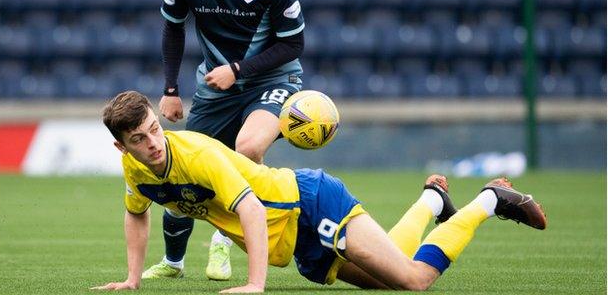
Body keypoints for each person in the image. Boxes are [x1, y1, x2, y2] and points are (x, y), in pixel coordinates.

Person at [93, 91, 547, 293]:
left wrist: (255, 285)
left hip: (309, 203)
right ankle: (432, 201)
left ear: (159, 119)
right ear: (122, 145)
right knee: (386, 280)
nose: (153, 143)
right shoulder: (135, 171)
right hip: (296, 242)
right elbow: (137, 213)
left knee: (412, 281)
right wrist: (133, 278)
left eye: (155, 129)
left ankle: (488, 201)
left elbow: (250, 210)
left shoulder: (198, 153)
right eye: (139, 139)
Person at [150, 0, 306, 281]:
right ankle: (173, 264)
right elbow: (172, 26)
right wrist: (170, 89)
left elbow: (292, 44)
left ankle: (222, 240)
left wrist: (237, 69)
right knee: (183, 175)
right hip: (218, 86)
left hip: (273, 79)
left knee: (248, 148)